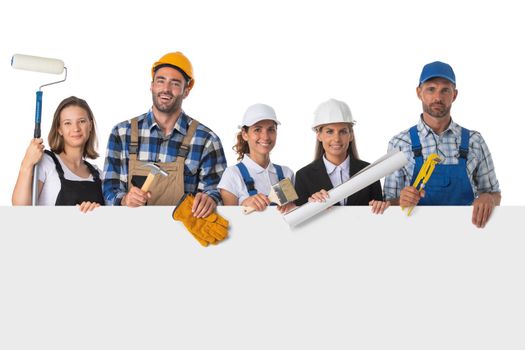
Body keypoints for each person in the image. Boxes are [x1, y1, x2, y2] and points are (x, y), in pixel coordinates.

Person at [103, 51, 227, 218]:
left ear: (186, 90)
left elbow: (217, 192)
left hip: (183, 237)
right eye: (160, 81)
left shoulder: (206, 140)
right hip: (131, 232)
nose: (166, 89)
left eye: (175, 83)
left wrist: (210, 199)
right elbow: (109, 191)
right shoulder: (122, 133)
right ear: (152, 85)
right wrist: (124, 200)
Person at [383, 61, 501, 228]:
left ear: (454, 95)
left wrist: (489, 198)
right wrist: (400, 201)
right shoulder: (400, 143)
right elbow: (387, 204)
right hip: (414, 236)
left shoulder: (475, 141)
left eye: (445, 90)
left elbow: (494, 194)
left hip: (467, 236)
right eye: (431, 89)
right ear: (419, 92)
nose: (438, 97)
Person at [294, 98, 389, 214]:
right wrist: (310, 207)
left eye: (343, 131)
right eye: (329, 132)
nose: (337, 139)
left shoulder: (369, 172)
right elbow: (299, 223)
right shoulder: (303, 176)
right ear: (319, 135)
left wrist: (380, 206)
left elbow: (379, 216)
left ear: (351, 135)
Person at [12, 96, 104, 212]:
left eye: (81, 121)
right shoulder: (46, 163)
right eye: (67, 123)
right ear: (59, 129)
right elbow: (20, 209)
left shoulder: (99, 176)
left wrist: (98, 212)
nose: (75, 128)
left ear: (90, 125)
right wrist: (27, 163)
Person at [218, 103, 295, 213]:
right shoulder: (232, 175)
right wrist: (243, 205)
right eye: (257, 130)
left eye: (271, 129)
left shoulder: (286, 174)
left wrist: (292, 207)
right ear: (245, 134)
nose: (265, 137)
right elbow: (229, 222)